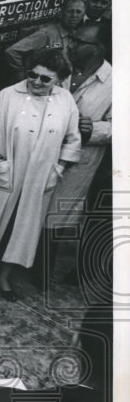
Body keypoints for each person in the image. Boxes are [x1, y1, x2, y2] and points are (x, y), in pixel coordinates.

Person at [0, 48, 81, 301]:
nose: (36, 82)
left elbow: (73, 139)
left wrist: (59, 168)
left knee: (24, 230)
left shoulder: (65, 101)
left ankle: (4, 277)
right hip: (6, 174)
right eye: (33, 74)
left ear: (59, 80)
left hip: (40, 179)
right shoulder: (8, 96)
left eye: (45, 79)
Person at [45, 23, 112, 276]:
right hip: (45, 152)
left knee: (58, 215)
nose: (70, 45)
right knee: (33, 206)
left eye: (79, 42)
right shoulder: (60, 69)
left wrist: (93, 129)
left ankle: (42, 270)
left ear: (98, 48)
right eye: (71, 39)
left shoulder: (115, 82)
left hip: (81, 160)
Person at [4, 0, 85, 79]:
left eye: (78, 12)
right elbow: (12, 51)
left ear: (83, 16)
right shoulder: (46, 33)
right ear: (61, 13)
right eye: (70, 11)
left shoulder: (79, 35)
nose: (74, 15)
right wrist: (23, 75)